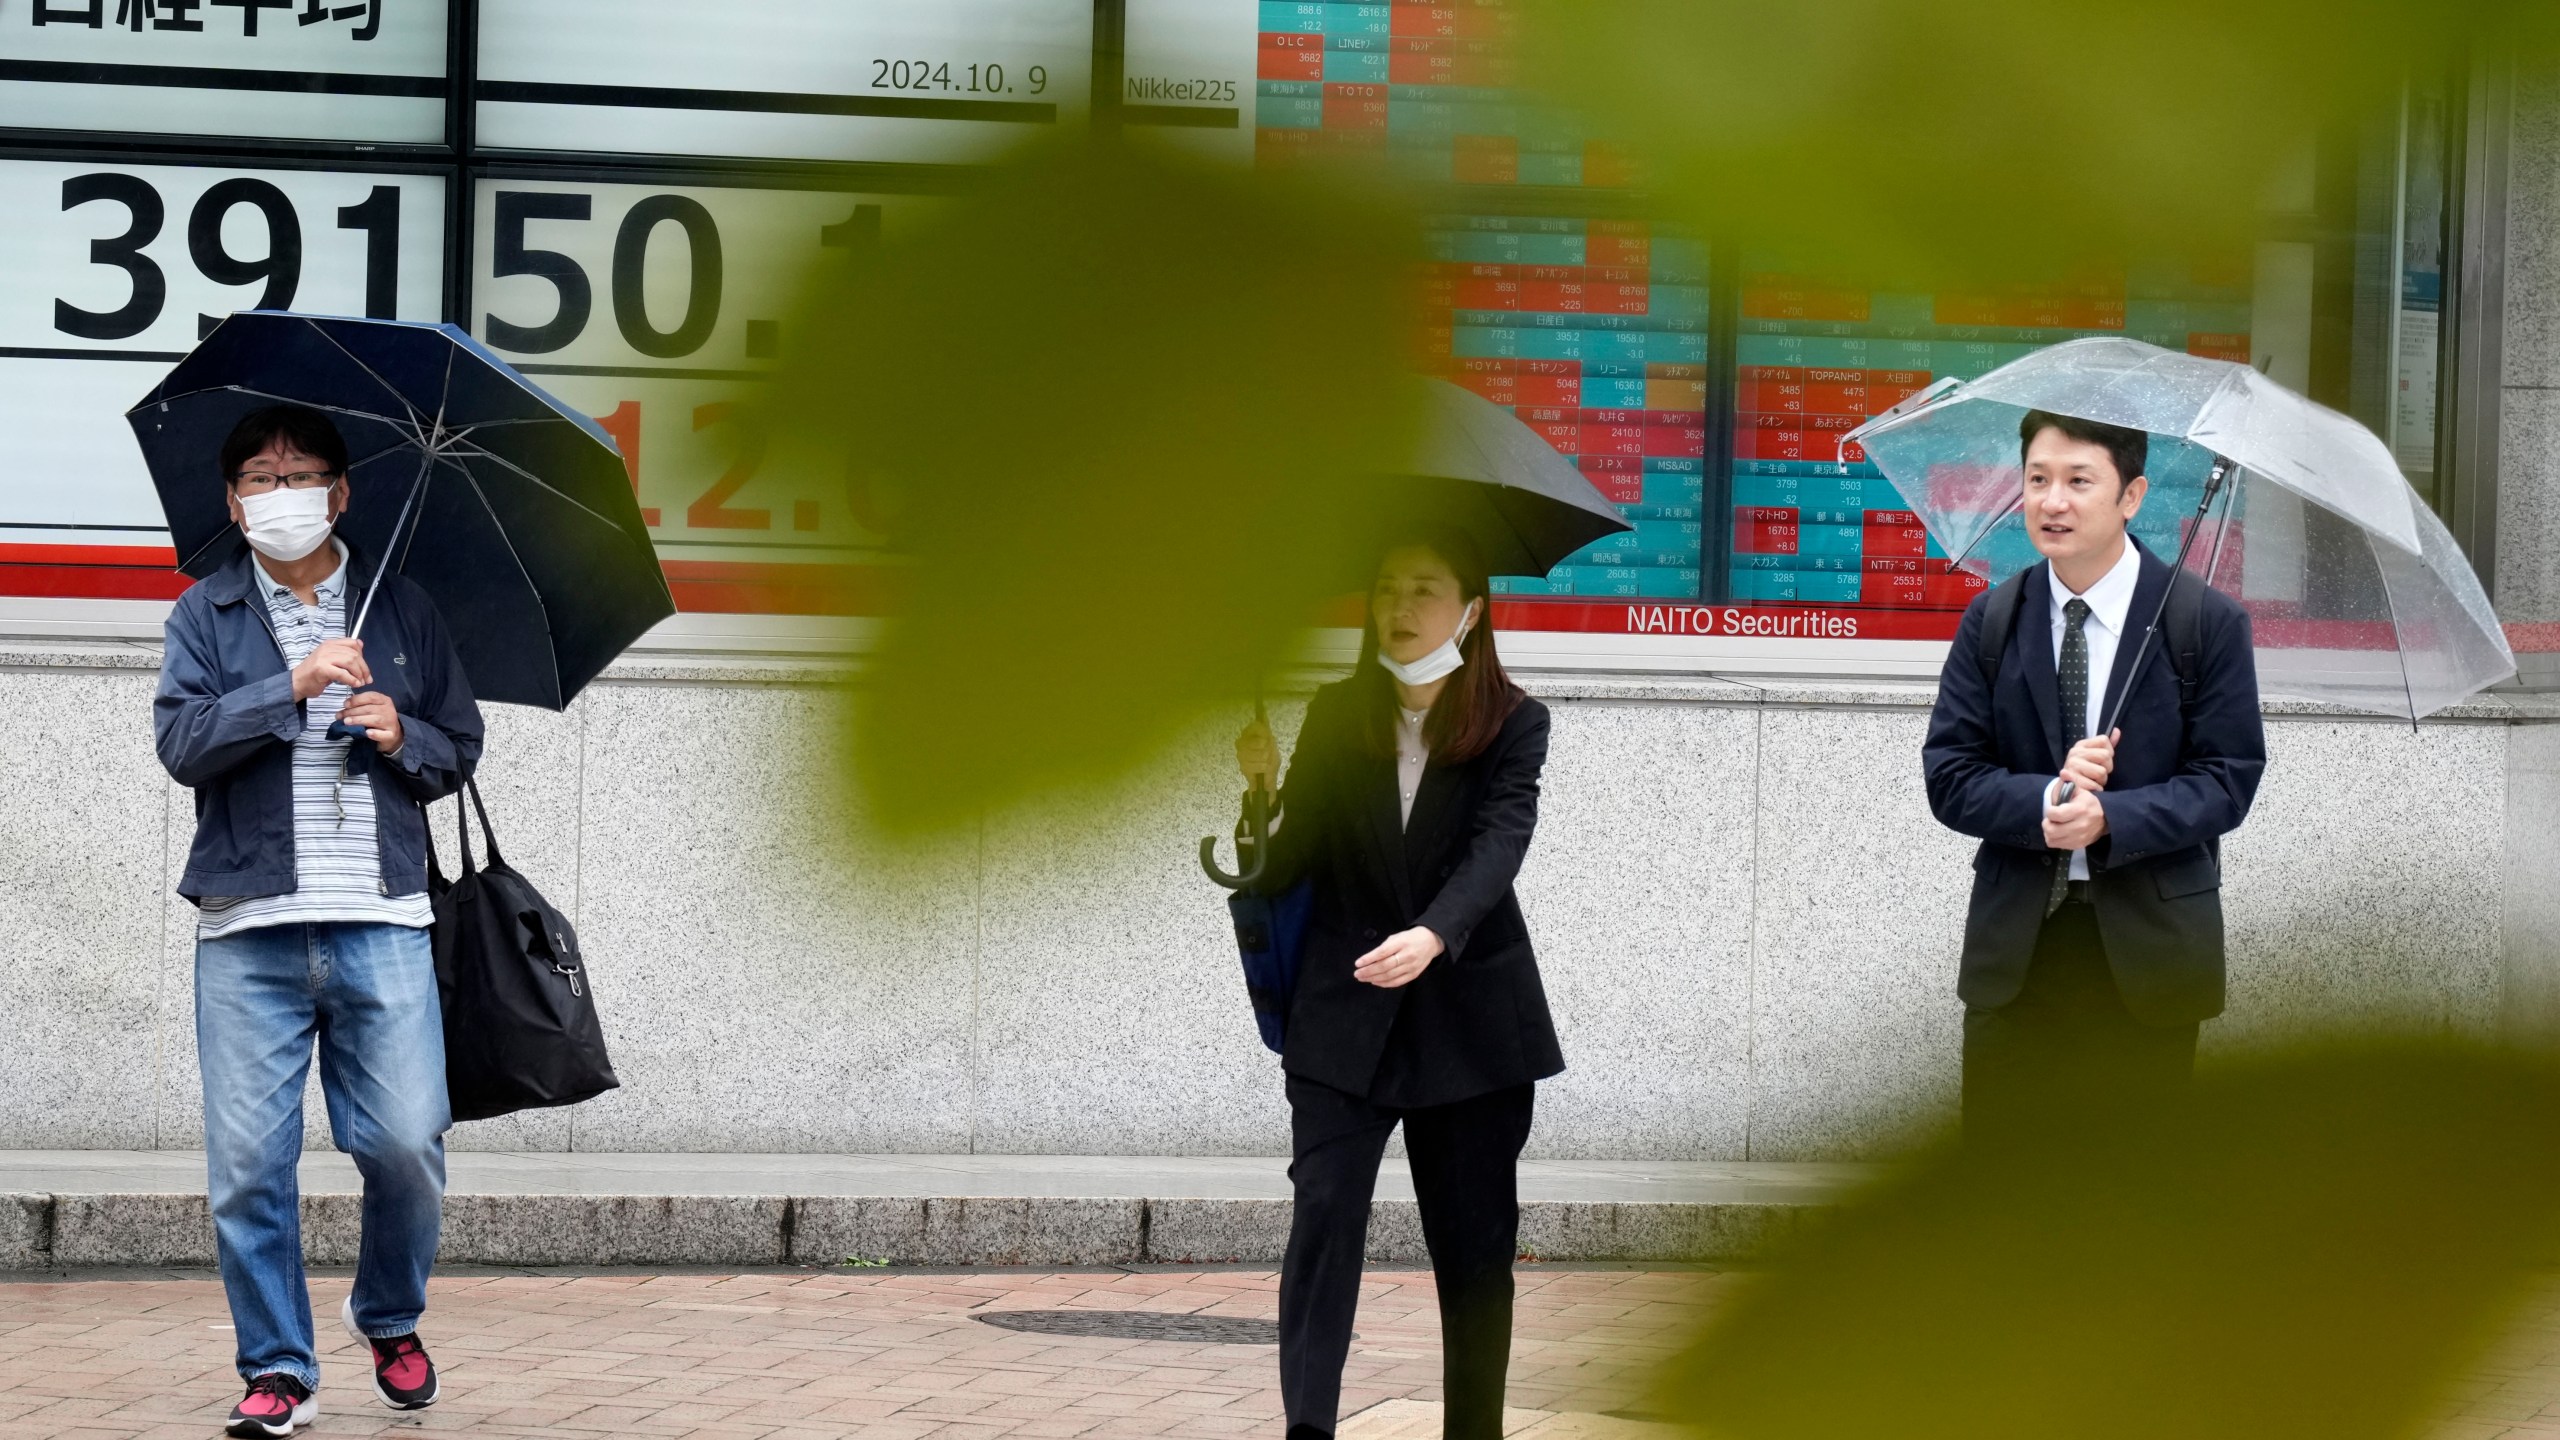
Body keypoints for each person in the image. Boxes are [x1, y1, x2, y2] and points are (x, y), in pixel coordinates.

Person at [153, 404, 482, 1438]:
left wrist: (404, 733)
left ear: (340, 494)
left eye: (299, 475)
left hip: (381, 919)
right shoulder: (204, 613)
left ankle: (387, 1315)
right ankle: (279, 1370)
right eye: (259, 475)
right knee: (249, 1166)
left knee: (404, 1147)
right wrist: (287, 686)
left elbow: (459, 744)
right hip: (248, 929)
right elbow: (182, 744)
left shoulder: (404, 609)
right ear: (233, 502)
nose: (278, 490)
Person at [1232, 529, 1563, 1440]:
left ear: (1471, 609)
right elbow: (1290, 858)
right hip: (1345, 1013)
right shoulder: (1339, 713)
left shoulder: (1515, 722)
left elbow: (1500, 846)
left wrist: (1432, 933)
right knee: (1324, 1223)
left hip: (1470, 1021)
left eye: (1426, 588)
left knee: (1473, 1252)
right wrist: (1262, 794)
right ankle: (1309, 1428)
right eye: (1386, 587)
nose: (1402, 607)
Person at [1921, 410, 2266, 1144]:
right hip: (2019, 952)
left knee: (2131, 1195)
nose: (2053, 501)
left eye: (2080, 481)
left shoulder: (2204, 624)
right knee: (1999, 1186)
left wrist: (2113, 817)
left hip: (2149, 956)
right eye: (2038, 480)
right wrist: (2045, 796)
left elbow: (2227, 780)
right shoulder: (1992, 621)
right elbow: (1950, 774)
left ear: (2132, 496)